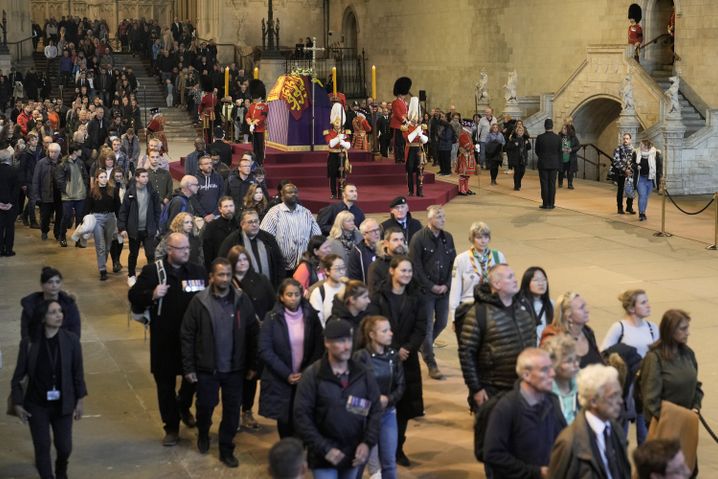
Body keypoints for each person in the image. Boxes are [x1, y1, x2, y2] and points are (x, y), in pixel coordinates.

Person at [128, 233, 207, 446]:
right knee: (165, 385)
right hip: (164, 340)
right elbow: (133, 296)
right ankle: (171, 427)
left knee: (193, 379)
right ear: (170, 250)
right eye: (181, 249)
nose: (186, 252)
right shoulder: (153, 272)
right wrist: (152, 294)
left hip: (192, 341)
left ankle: (183, 404)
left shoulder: (198, 271)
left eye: (187, 248)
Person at [181, 257, 259, 468]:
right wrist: (188, 367)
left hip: (235, 368)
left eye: (227, 274)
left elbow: (253, 333)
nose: (224, 279)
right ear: (212, 277)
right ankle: (204, 433)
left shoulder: (242, 300)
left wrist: (253, 365)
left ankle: (226, 448)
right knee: (205, 406)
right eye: (220, 274)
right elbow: (187, 335)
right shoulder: (199, 302)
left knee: (232, 412)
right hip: (208, 368)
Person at [293, 319, 381, 478]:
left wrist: (367, 442)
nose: (347, 346)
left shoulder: (363, 373)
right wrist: (324, 448)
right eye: (341, 341)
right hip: (323, 457)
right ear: (327, 342)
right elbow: (302, 416)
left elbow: (375, 409)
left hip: (353, 454)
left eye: (348, 340)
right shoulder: (313, 375)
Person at [10, 299, 87, 479]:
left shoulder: (72, 341)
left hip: (63, 403)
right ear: (43, 318)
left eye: (60, 311)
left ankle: (61, 469)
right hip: (37, 404)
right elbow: (18, 376)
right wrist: (17, 403)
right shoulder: (29, 343)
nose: (58, 315)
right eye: (53, 312)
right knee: (42, 446)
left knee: (65, 447)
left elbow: (78, 373)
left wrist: (80, 400)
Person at [367, 256, 425, 467]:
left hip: (407, 360)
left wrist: (407, 348)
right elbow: (372, 325)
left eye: (409, 271)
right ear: (392, 271)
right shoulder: (378, 297)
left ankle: (397, 447)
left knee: (404, 407)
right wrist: (393, 350)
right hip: (383, 359)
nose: (407, 275)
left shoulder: (416, 297)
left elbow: (421, 327)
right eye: (403, 270)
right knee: (381, 403)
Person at [458, 264, 536, 414]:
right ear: (496, 284)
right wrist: (476, 389)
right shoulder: (478, 314)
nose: (515, 280)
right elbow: (466, 354)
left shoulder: (522, 310)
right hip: (493, 391)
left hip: (523, 388)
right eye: (510, 277)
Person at [483, 348, 567, 478]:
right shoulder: (506, 408)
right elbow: (493, 454)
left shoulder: (552, 400)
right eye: (545, 370)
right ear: (526, 375)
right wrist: (536, 473)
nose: (552, 373)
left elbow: (563, 437)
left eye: (551, 368)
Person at [259, 278, 324, 438]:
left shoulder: (310, 315)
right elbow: (265, 349)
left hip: (305, 376)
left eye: (296, 294)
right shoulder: (272, 318)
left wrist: (306, 372)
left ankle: (300, 453)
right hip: (281, 377)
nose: (293, 298)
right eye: (289, 294)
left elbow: (318, 346)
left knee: (304, 416)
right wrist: (286, 373)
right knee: (285, 420)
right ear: (281, 297)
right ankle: (287, 454)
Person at [548, 364, 631, 478]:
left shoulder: (616, 430)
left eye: (620, 394)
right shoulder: (568, 442)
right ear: (593, 402)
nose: (620, 401)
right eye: (613, 396)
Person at [601, 289, 658, 444]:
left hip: (645, 386)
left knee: (645, 433)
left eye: (647, 301)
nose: (648, 305)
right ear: (632, 308)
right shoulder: (619, 327)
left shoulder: (652, 328)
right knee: (621, 431)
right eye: (643, 302)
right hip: (625, 387)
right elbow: (604, 353)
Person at [354, 315, 406, 479]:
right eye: (384, 331)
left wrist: (388, 400)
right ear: (372, 335)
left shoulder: (393, 356)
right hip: (362, 413)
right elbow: (351, 389)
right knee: (359, 460)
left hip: (387, 412)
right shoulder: (359, 357)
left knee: (389, 462)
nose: (390, 333)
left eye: (389, 329)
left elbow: (401, 386)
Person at [408, 205, 456, 380]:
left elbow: (453, 263)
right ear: (429, 219)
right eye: (438, 217)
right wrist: (430, 286)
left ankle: (423, 344)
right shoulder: (418, 239)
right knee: (427, 327)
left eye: (443, 216)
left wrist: (447, 285)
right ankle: (431, 362)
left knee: (442, 322)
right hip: (424, 292)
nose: (442, 220)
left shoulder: (448, 238)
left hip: (443, 290)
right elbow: (416, 267)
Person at [639, 309, 703, 431]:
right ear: (670, 331)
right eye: (683, 329)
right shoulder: (654, 358)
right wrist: (669, 421)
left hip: (686, 421)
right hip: (663, 425)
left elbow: (696, 386)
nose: (688, 333)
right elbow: (650, 399)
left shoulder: (688, 354)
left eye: (687, 328)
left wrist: (695, 408)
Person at [449, 222, 506, 341]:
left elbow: (505, 285)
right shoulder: (461, 259)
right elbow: (455, 290)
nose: (483, 241)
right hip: (469, 309)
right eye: (479, 237)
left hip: (492, 308)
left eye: (486, 237)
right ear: (472, 238)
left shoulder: (497, 256)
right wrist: (454, 318)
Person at [260, 183, 321, 276]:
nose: (293, 194)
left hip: (303, 264)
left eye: (295, 192)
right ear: (282, 195)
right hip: (282, 265)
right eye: (289, 192)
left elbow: (317, 235)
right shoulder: (274, 212)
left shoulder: (306, 212)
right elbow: (265, 237)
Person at [219, 208, 286, 289]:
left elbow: (279, 262)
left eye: (256, 221)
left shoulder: (268, 239)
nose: (254, 224)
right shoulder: (232, 241)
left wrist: (279, 287)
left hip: (268, 288)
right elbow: (223, 264)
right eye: (250, 222)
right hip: (241, 290)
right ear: (242, 224)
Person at [117, 168, 162, 287]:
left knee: (150, 254)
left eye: (147, 176)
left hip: (148, 230)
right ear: (137, 178)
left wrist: (157, 226)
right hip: (134, 230)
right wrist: (122, 228)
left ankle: (152, 276)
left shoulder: (152, 192)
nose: (146, 178)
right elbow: (123, 211)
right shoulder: (130, 193)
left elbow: (158, 211)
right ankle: (131, 275)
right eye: (143, 176)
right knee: (133, 254)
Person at [541, 292, 603, 368]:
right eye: (581, 308)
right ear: (569, 316)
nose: (587, 311)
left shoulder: (588, 332)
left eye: (585, 306)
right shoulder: (553, 338)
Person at [20, 267, 82, 340]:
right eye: (50, 282)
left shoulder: (69, 303)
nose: (54, 285)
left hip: (64, 345)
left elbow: (75, 329)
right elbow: (26, 332)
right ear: (42, 284)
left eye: (57, 282)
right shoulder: (31, 305)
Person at [84, 169, 121, 281]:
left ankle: (102, 264)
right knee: (100, 245)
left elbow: (118, 207)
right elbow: (87, 207)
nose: (104, 179)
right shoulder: (92, 192)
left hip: (110, 218)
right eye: (101, 177)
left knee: (108, 246)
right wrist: (83, 221)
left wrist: (121, 223)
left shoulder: (113, 191)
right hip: (97, 219)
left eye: (105, 176)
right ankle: (102, 270)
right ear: (96, 179)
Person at [55, 143, 89, 247]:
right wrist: (65, 190)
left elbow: (85, 176)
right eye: (79, 150)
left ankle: (78, 239)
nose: (81, 152)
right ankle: (62, 236)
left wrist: (85, 188)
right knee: (66, 217)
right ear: (75, 151)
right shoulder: (63, 164)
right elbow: (59, 180)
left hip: (80, 195)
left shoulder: (80, 163)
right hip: (68, 196)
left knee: (80, 218)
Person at [543, 334, 580, 425]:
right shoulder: (543, 394)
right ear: (552, 364)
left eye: (576, 359)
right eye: (569, 361)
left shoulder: (583, 389)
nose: (576, 365)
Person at [327, 280, 371, 346]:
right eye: (364, 297)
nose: (369, 301)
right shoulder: (336, 323)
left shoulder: (366, 318)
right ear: (352, 300)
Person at [309, 254, 347, 327]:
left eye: (343, 268)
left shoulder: (348, 288)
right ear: (327, 271)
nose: (342, 272)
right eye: (337, 269)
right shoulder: (318, 292)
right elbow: (318, 322)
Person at [519, 266, 553, 345]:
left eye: (544, 280)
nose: (541, 283)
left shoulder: (551, 304)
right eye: (536, 280)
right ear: (527, 283)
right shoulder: (519, 306)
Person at [401, 97, 428, 196]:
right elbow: (408, 139)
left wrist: (420, 134)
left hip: (419, 149)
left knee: (419, 171)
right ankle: (411, 190)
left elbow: (425, 140)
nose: (415, 118)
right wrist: (417, 131)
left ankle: (420, 190)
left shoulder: (421, 127)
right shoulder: (405, 127)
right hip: (410, 150)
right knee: (410, 170)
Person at [367, 227, 408, 292]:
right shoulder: (376, 266)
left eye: (402, 239)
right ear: (386, 243)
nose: (400, 243)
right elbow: (374, 293)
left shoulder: (408, 263)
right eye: (395, 240)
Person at [202, 196, 237, 269]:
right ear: (220, 209)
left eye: (231, 206)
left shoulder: (239, 225)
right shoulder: (212, 226)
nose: (229, 209)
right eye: (226, 206)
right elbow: (207, 251)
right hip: (218, 266)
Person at [632, 139, 663, 221]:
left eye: (642, 145)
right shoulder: (636, 153)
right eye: (640, 145)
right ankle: (641, 213)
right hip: (640, 178)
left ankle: (643, 212)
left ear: (646, 146)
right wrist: (636, 166)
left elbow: (659, 167)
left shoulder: (655, 153)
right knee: (642, 195)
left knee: (645, 197)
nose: (640, 146)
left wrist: (660, 178)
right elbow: (632, 163)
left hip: (650, 179)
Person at [535, 118, 561, 209]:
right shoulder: (558, 138)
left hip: (543, 163)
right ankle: (552, 203)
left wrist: (543, 157)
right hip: (554, 163)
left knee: (544, 183)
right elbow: (560, 151)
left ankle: (545, 203)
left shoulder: (540, 137)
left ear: (544, 126)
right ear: (552, 126)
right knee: (552, 184)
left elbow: (537, 151)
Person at [347, 218, 380, 283]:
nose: (377, 233)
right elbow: (354, 279)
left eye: (378, 229)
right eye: (373, 231)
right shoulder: (356, 252)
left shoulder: (385, 248)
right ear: (364, 235)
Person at [0, 146, 19, 256]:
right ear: (9, 158)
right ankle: (8, 250)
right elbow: (16, 190)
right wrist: (10, 203)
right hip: (11, 205)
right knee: (10, 227)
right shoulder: (14, 171)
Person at [194, 154, 224, 222]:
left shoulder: (218, 178)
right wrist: (204, 215)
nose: (209, 166)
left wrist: (214, 214)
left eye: (210, 163)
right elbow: (194, 199)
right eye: (206, 164)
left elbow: (222, 196)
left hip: (216, 215)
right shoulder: (195, 179)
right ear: (200, 166)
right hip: (200, 216)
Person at [612, 132, 636, 215]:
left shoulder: (634, 150)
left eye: (627, 139)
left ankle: (629, 207)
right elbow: (616, 161)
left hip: (630, 174)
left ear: (630, 140)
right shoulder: (618, 149)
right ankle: (620, 208)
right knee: (620, 191)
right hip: (621, 174)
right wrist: (624, 169)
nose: (625, 140)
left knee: (631, 189)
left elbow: (635, 162)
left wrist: (630, 170)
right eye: (624, 138)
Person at [247, 79, 268, 164]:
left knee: (260, 147)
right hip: (253, 130)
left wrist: (255, 122)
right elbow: (248, 115)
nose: (254, 98)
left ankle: (260, 162)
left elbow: (263, 116)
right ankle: (255, 161)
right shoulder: (252, 106)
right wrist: (249, 122)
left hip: (260, 129)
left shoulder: (264, 106)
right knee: (254, 147)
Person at [391, 77, 411, 164]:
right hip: (398, 125)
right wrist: (405, 121)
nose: (404, 96)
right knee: (398, 143)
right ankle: (398, 158)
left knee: (403, 142)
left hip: (404, 125)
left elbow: (407, 113)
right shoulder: (395, 102)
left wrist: (408, 120)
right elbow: (397, 114)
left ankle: (402, 157)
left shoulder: (404, 102)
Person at [455, 125, 476, 196]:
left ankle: (466, 188)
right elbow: (467, 146)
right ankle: (461, 189)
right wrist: (474, 146)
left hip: (469, 156)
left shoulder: (467, 134)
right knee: (463, 174)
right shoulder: (463, 134)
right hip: (465, 156)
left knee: (467, 175)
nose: (470, 128)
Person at [558, 124, 580, 190]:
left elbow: (578, 146)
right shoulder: (559, 137)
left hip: (570, 158)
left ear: (568, 130)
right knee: (561, 171)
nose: (562, 129)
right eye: (562, 128)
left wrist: (571, 149)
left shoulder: (573, 137)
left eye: (564, 128)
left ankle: (570, 184)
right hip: (562, 157)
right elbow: (555, 145)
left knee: (570, 172)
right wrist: (560, 149)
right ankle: (560, 182)